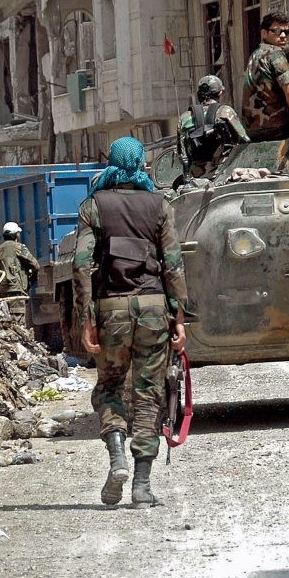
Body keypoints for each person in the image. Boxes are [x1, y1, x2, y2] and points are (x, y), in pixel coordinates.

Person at [73, 137, 188, 508]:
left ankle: (117, 457)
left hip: (111, 310)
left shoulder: (93, 206)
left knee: (110, 387)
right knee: (149, 392)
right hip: (154, 309)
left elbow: (81, 266)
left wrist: (87, 319)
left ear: (110, 163)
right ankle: (141, 487)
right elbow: (173, 264)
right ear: (141, 163)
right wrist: (179, 316)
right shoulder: (160, 205)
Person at [240, 11, 289, 140]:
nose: (283, 36)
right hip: (276, 126)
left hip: (251, 128)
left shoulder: (255, 54)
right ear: (264, 33)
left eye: (286, 32)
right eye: (277, 31)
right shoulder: (275, 53)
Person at [177, 74, 249, 178]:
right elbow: (244, 140)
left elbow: (181, 153)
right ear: (220, 93)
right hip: (223, 175)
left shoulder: (184, 117)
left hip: (195, 178)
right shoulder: (225, 112)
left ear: (199, 94)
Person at [0, 221, 39, 314]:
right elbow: (35, 265)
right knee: (18, 318)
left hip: (2, 291)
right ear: (16, 235)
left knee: (6, 318)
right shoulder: (18, 247)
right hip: (16, 290)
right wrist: (32, 279)